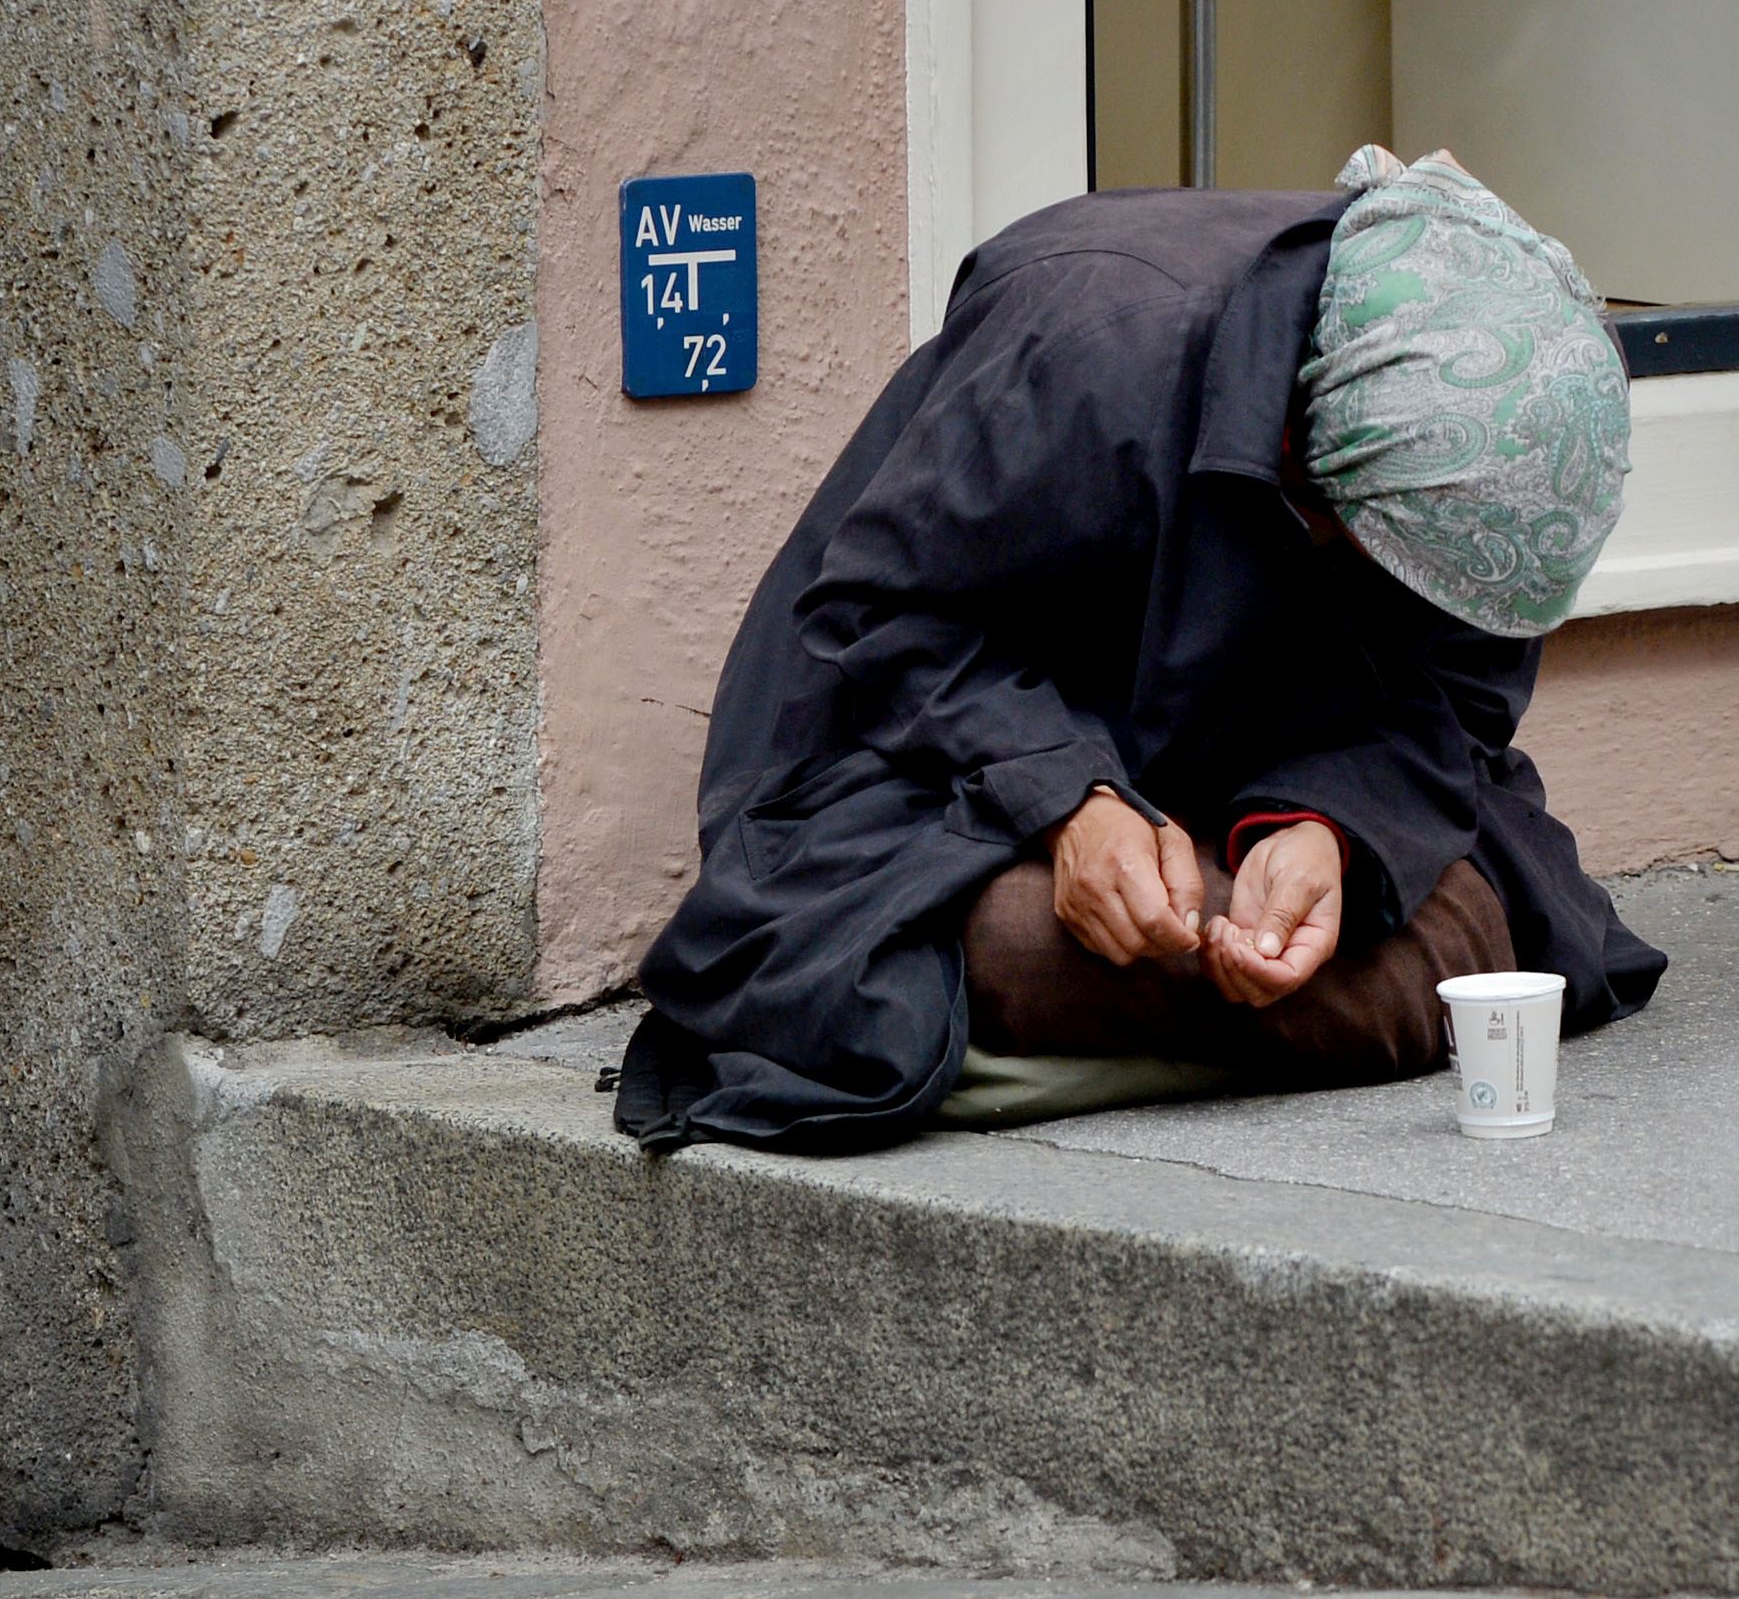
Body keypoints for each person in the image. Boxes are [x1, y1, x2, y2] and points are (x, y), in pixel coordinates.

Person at [614, 147, 1660, 1153]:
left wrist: (1327, 831)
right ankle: (1046, 1033)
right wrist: (1068, 800)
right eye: (1368, 557)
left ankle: (1021, 1063)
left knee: (1460, 942)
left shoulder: (1490, 472)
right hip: (949, 782)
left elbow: (1455, 707)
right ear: (1307, 451)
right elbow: (879, 622)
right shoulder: (1089, 333)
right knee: (996, 950)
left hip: (1262, 770)